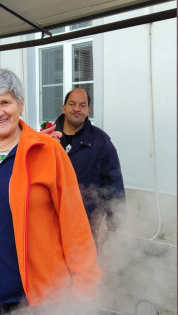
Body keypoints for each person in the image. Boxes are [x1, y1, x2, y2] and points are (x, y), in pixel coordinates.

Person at [0, 69, 102, 315]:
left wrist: (86, 288)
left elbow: (75, 224)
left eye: (6, 102)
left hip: (36, 300)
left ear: (21, 104)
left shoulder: (48, 151)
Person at [53, 88, 125, 236]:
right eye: (72, 104)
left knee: (85, 257)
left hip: (87, 218)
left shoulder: (101, 141)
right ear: (64, 107)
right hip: (50, 215)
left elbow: (112, 179)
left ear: (88, 110)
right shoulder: (47, 137)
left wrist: (115, 216)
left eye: (82, 105)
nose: (76, 109)